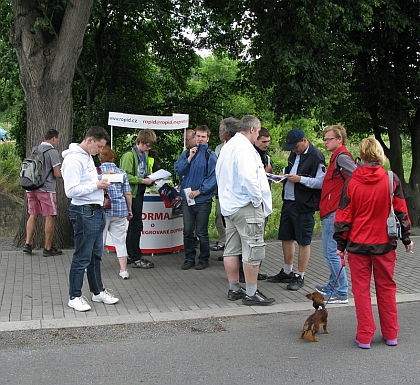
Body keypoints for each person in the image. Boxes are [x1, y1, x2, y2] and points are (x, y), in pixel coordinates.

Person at [333, 138, 414, 349]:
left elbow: (343, 217)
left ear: (360, 155)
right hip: (384, 244)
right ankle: (391, 334)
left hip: (357, 244)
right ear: (380, 154)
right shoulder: (391, 179)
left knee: (361, 291)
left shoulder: (352, 181)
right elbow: (401, 211)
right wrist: (406, 237)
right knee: (386, 288)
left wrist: (340, 245)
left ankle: (365, 336)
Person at [216, 115, 275, 306]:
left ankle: (234, 288)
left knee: (231, 249)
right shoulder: (244, 149)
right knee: (253, 248)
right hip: (246, 206)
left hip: (230, 206)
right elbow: (249, 178)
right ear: (252, 129)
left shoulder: (228, 147)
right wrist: (257, 200)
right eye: (258, 132)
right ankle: (251, 292)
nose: (258, 135)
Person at [62, 126, 119, 312]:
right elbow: (71, 190)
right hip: (84, 211)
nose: (100, 151)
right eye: (99, 146)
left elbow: (86, 182)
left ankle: (97, 291)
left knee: (95, 255)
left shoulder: (86, 156)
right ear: (89, 140)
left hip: (95, 210)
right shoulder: (73, 159)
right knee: (82, 256)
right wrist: (97, 184)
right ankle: (74, 296)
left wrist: (101, 177)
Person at [267, 128, 325, 290]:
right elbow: (292, 169)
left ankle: (300, 275)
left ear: (304, 140)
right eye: (291, 148)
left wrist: (300, 179)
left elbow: (321, 182)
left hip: (304, 204)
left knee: (303, 240)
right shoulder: (294, 154)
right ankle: (287, 271)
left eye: (296, 147)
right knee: (286, 236)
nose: (294, 150)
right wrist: (284, 174)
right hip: (289, 201)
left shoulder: (316, 156)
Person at [314, 125, 356, 304]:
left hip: (335, 211)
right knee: (328, 251)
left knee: (332, 252)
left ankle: (341, 291)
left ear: (340, 140)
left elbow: (356, 178)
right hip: (330, 210)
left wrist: (344, 202)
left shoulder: (342, 157)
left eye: (329, 139)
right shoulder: (336, 158)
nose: (325, 142)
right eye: (325, 139)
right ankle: (333, 285)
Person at [174, 125, 218, 270]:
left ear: (207, 138)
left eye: (203, 137)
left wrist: (200, 191)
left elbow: (214, 178)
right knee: (187, 230)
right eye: (197, 136)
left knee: (202, 231)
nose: (200, 139)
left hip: (202, 200)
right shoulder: (187, 153)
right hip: (187, 199)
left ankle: (204, 259)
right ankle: (189, 258)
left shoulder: (210, 156)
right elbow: (178, 170)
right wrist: (189, 158)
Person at [120, 129, 157, 269]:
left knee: (136, 225)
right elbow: (125, 176)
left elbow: (145, 172)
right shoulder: (129, 156)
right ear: (140, 142)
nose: (149, 148)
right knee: (135, 225)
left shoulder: (144, 156)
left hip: (140, 193)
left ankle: (132, 254)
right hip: (132, 194)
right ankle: (134, 256)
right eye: (147, 145)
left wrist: (151, 178)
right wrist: (142, 181)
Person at [23, 129, 63, 257]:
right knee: (49, 216)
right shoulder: (52, 152)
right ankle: (47, 248)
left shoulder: (35, 149)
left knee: (33, 215)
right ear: (53, 139)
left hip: (30, 187)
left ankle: (27, 244)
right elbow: (57, 174)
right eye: (57, 140)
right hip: (46, 188)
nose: (56, 142)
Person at [99, 145, 133, 279]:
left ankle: (90, 267)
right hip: (119, 210)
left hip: (103, 210)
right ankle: (123, 270)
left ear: (100, 158)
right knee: (120, 241)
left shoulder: (97, 173)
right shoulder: (122, 173)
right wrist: (129, 210)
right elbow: (128, 193)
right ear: (113, 158)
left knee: (98, 241)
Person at [212, 117, 240, 252]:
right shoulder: (218, 148)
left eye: (220, 130)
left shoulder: (240, 148)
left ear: (228, 132)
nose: (219, 133)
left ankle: (233, 250)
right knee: (220, 217)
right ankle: (226, 243)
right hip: (221, 191)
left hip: (235, 195)